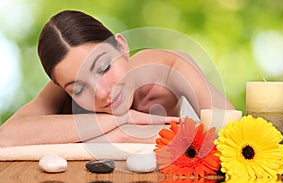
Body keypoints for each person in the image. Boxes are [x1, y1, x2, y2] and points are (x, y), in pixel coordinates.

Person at [0, 10, 234, 147]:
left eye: (104, 67)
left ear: (121, 47)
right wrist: (121, 121)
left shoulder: (169, 69)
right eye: (78, 89)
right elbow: (6, 136)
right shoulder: (67, 80)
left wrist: (118, 133)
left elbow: (234, 137)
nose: (101, 93)